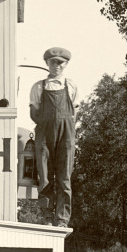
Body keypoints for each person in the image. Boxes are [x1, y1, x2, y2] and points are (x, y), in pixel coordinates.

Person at [29, 46, 78, 227]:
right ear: (47, 64)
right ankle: (48, 217)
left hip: (66, 134)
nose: (56, 66)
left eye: (60, 63)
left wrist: (68, 132)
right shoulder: (38, 87)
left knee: (65, 178)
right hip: (45, 133)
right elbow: (34, 112)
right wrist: (44, 125)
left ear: (65, 64)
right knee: (45, 176)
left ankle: (62, 219)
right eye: (52, 62)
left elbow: (74, 113)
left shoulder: (71, 86)